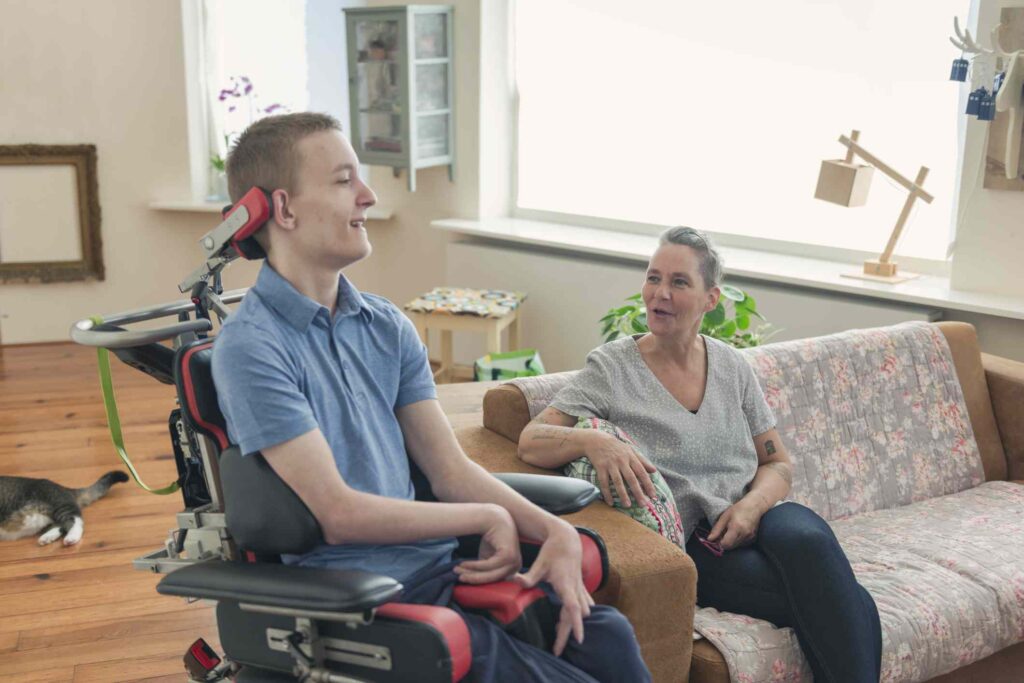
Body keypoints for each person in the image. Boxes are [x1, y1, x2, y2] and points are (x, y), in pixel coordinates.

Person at [210, 112, 650, 683]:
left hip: (445, 570)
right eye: (344, 180)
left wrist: (556, 531)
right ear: (284, 209)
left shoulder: (385, 325)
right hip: (366, 598)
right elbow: (338, 514)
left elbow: (450, 471)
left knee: (607, 638)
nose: (368, 195)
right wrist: (487, 516)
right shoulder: (252, 346)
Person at [517, 226, 883, 683]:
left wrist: (752, 507)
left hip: (762, 515)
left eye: (678, 282)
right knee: (850, 601)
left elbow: (777, 463)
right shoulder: (612, 367)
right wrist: (595, 441)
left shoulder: (732, 365)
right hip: (704, 545)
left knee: (808, 541)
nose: (660, 293)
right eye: (653, 278)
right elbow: (531, 440)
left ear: (711, 299)